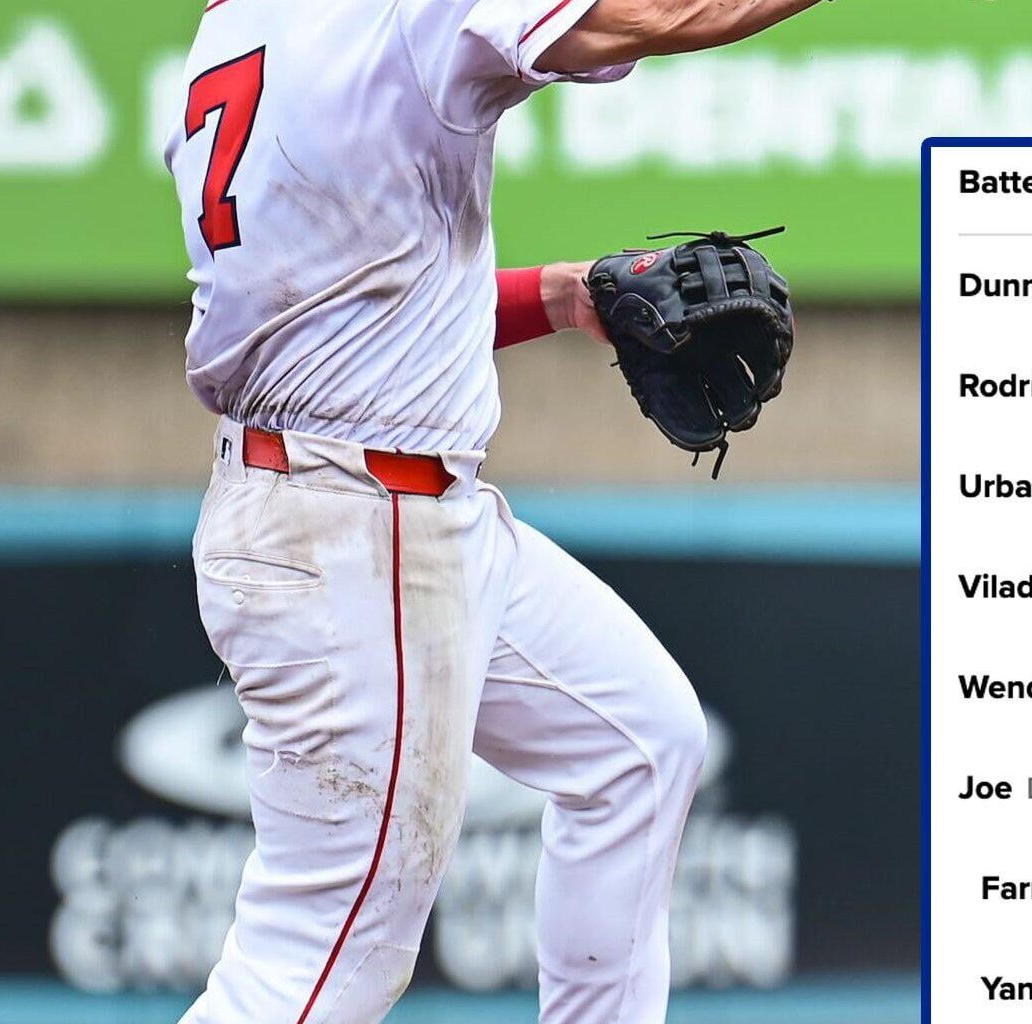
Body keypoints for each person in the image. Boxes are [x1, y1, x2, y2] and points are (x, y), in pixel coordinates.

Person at [161, 0, 823, 1020]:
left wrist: (558, 295)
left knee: (641, 743)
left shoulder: (240, 29)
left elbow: (351, 307)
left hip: (361, 502)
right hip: (360, 533)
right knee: (317, 964)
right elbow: (668, 12)